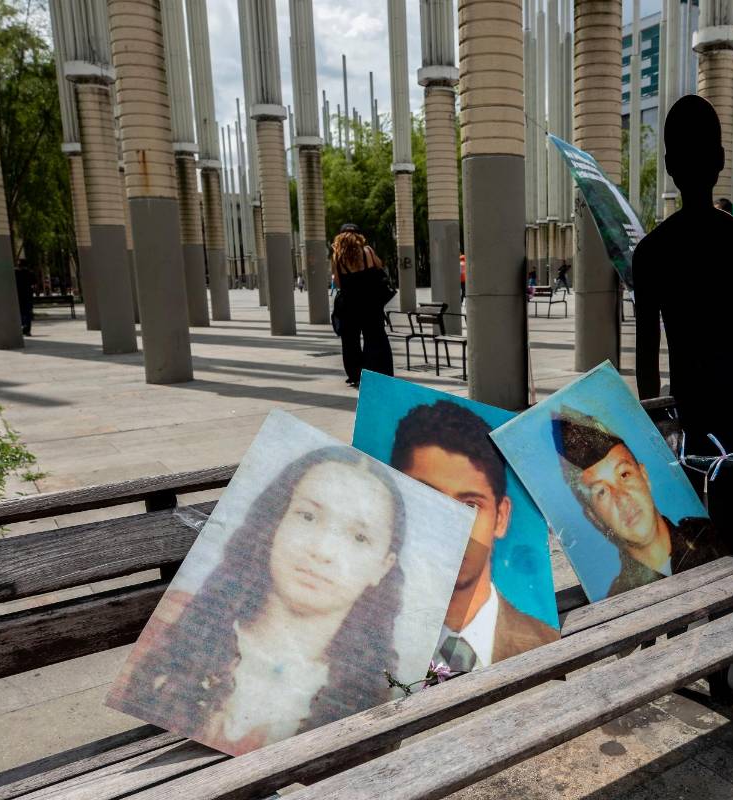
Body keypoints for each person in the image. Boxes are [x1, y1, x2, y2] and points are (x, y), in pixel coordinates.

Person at [108, 447, 407, 755]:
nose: (322, 550)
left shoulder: (370, 684)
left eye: (359, 537)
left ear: (382, 566)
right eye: (307, 516)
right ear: (274, 524)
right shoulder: (176, 623)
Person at [632, 95, 733, 558]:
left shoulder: (653, 254)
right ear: (722, 161)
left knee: (681, 568)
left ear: (668, 165)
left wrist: (656, 441)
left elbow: (647, 367)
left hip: (681, 438)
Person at [390, 401, 557, 670]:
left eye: (470, 505)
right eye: (427, 499)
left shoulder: (544, 644)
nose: (450, 527)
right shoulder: (357, 649)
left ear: (500, 518)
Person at [552, 407, 727, 598]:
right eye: (601, 492)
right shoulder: (617, 599)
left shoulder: (707, 538)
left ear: (644, 476)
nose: (622, 498)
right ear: (594, 517)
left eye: (624, 474)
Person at [332, 224, 394, 388]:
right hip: (371, 303)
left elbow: (338, 282)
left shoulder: (338, 257)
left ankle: (355, 375)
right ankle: (379, 373)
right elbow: (379, 266)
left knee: (350, 342)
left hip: (349, 306)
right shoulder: (367, 251)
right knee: (376, 337)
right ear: (359, 236)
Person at [14, 259, 37, 335]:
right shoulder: (30, 273)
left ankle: (23, 326)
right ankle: (27, 329)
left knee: (20, 312)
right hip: (27, 295)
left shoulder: (15, 272)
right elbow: (34, 284)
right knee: (27, 313)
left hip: (18, 295)